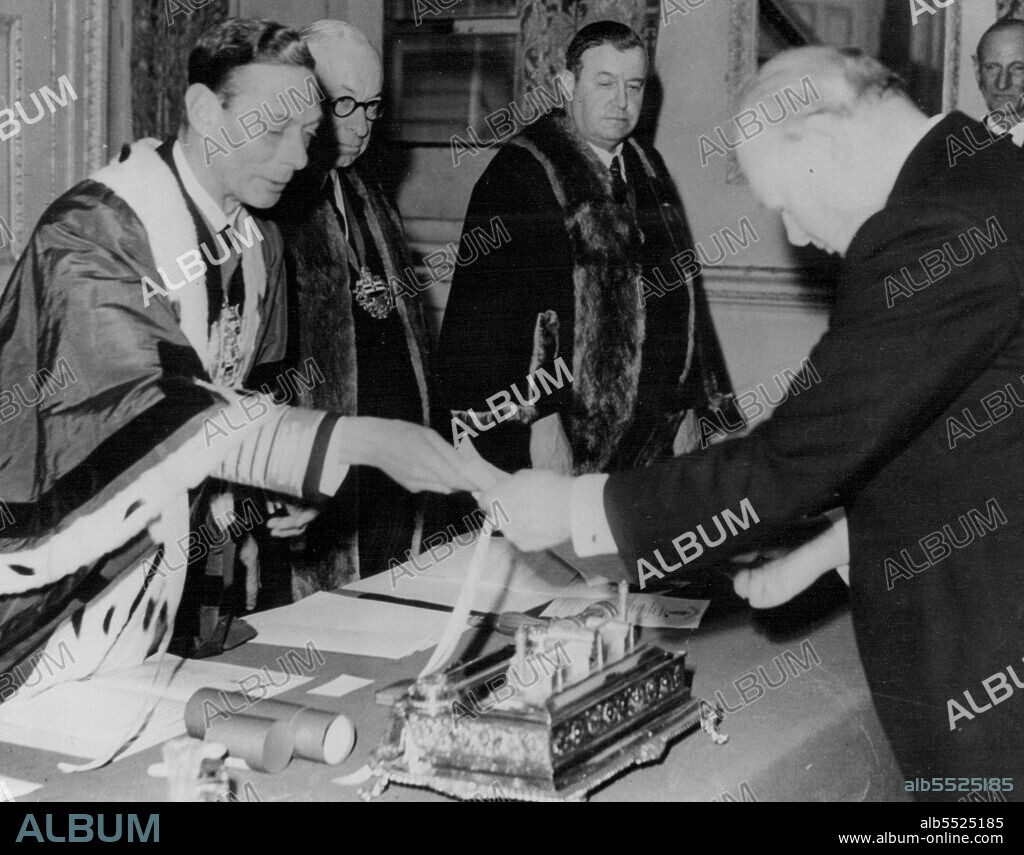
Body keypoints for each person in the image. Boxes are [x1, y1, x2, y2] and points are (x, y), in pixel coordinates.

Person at [482, 46, 1024, 796]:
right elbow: (960, 438)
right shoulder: (980, 174)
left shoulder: (936, 224)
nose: (796, 236)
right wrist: (833, 545)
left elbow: (793, 458)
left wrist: (579, 507)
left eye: (782, 203)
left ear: (822, 142)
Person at [0, 18, 487, 701]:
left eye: (307, 133)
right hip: (41, 585)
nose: (297, 158)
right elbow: (154, 403)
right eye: (273, 130)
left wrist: (263, 491)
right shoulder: (89, 236)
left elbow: (237, 395)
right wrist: (351, 439)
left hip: (156, 584)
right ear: (205, 110)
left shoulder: (256, 243)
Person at [434, 20, 739, 481]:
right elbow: (493, 325)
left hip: (648, 439)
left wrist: (693, 405)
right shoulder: (521, 173)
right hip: (561, 435)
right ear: (566, 85)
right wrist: (539, 423)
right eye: (604, 82)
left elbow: (685, 298)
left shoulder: (648, 169)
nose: (621, 101)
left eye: (633, 85)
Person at [270, 21, 432, 591]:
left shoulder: (368, 194)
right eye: (344, 105)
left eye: (372, 107)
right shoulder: (272, 204)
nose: (361, 126)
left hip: (382, 480)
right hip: (305, 482)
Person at [975, 17, 1024, 142]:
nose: (1002, 84)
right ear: (978, 72)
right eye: (991, 67)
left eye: (1018, 68)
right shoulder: (953, 143)